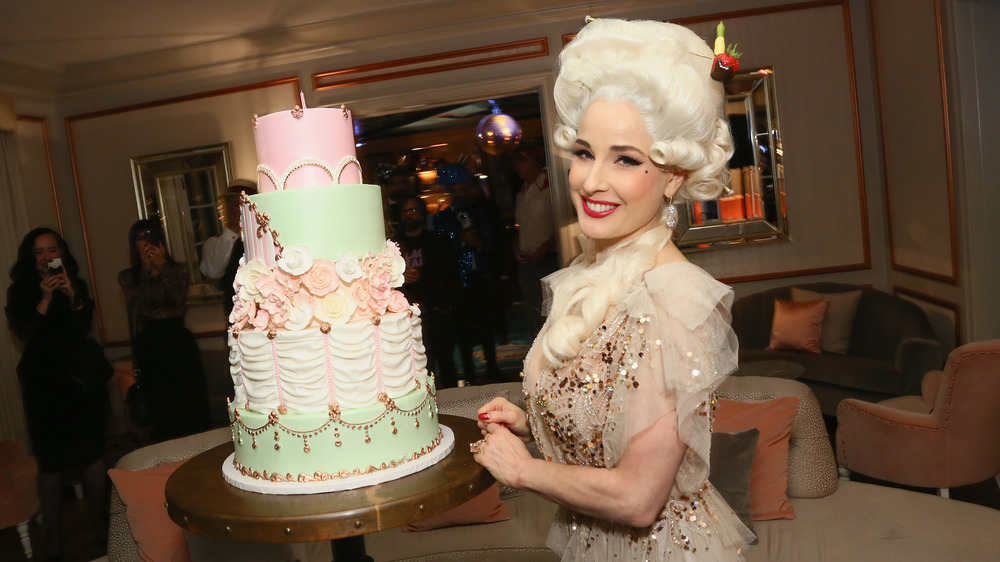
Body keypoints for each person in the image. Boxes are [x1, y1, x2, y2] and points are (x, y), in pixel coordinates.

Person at [471, 18, 755, 560]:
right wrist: (537, 426)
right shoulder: (594, 273)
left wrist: (524, 469)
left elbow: (639, 498)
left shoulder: (674, 300)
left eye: (625, 159)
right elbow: (615, 425)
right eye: (584, 152)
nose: (591, 180)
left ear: (673, 176)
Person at [5, 227, 111, 558]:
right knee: (50, 464)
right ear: (29, 256)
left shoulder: (72, 281)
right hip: (45, 388)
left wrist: (72, 296)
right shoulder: (20, 292)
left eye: (53, 250)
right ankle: (53, 536)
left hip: (81, 386)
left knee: (93, 455)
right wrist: (46, 298)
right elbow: (26, 333)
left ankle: (101, 526)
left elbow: (82, 328)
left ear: (61, 253)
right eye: (39, 251)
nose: (47, 257)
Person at [119, 219, 210, 442]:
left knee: (188, 401)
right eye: (140, 238)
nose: (146, 243)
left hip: (178, 341)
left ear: (160, 241)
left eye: (150, 237)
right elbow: (141, 305)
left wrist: (162, 269)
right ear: (134, 245)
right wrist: (148, 273)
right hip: (150, 344)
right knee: (158, 403)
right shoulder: (128, 277)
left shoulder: (178, 269)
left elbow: (177, 298)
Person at [433, 163, 504, 383]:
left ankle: (493, 370)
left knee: (487, 327)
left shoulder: (481, 212)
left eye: (462, 189)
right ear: (449, 192)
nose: (460, 194)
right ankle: (470, 374)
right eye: (455, 190)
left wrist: (481, 242)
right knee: (462, 332)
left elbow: (495, 241)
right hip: (458, 282)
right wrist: (460, 241)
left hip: (483, 277)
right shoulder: (441, 219)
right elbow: (440, 250)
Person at [391, 195, 460, 388]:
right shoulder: (392, 246)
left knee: (445, 358)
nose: (409, 215)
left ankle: (453, 400)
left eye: (413, 210)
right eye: (405, 211)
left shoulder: (436, 241)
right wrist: (401, 276)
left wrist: (449, 303)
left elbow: (450, 273)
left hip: (437, 309)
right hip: (406, 313)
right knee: (418, 362)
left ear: (422, 214)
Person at [512, 139, 558, 336]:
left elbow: (562, 225)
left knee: (553, 310)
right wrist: (516, 249)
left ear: (531, 162)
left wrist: (544, 249)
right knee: (532, 310)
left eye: (519, 163)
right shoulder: (522, 192)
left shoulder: (551, 188)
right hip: (527, 262)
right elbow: (519, 227)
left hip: (548, 260)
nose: (516, 168)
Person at [199, 178, 257, 320]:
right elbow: (212, 273)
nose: (239, 210)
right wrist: (232, 229)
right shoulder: (214, 243)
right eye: (235, 205)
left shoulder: (262, 239)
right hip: (236, 317)